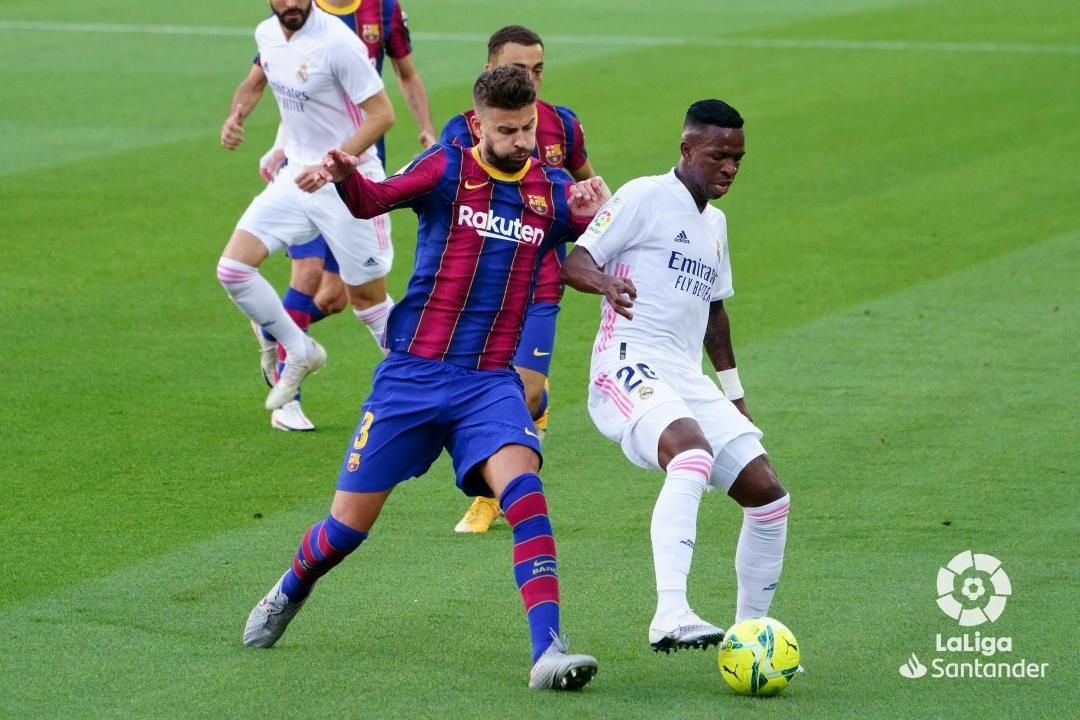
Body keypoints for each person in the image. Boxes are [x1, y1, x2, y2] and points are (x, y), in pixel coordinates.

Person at [242, 66, 607, 691]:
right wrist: (345, 174)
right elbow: (373, 201)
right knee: (345, 531)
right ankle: (290, 587)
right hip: (411, 379)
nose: (521, 141)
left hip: (490, 382)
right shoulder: (446, 169)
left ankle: (548, 651)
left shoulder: (548, 189)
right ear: (478, 123)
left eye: (526, 129)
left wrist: (592, 216)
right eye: (507, 130)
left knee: (526, 495)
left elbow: (577, 250)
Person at [560, 99, 791, 654]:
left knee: (769, 498)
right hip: (626, 359)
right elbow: (575, 260)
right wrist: (606, 285)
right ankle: (670, 612)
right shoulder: (642, 196)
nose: (730, 168)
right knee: (691, 454)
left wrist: (734, 396)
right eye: (718, 156)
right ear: (687, 149)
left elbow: (715, 314)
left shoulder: (716, 223)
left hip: (685, 377)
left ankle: (749, 637)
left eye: (738, 158)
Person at [250, 0, 438, 431]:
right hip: (304, 172)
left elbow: (404, 74)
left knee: (336, 298)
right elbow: (279, 78)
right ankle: (287, 400)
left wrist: (425, 126)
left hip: (356, 165)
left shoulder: (383, 10)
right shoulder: (297, 13)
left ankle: (274, 327)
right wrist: (279, 143)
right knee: (306, 276)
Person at [439, 25, 595, 533]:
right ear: (490, 72)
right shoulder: (461, 132)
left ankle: (489, 496)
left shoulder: (561, 126)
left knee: (523, 394)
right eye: (518, 68)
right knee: (478, 392)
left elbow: (588, 186)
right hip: (481, 287)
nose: (531, 78)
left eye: (538, 68)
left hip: (541, 280)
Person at [218, 0, 396, 416]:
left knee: (369, 305)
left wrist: (331, 164)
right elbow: (261, 82)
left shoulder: (338, 43)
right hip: (297, 177)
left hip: (351, 185)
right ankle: (299, 349)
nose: (293, 3)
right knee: (234, 269)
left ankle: (423, 378)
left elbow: (382, 115)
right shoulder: (266, 34)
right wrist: (236, 115)